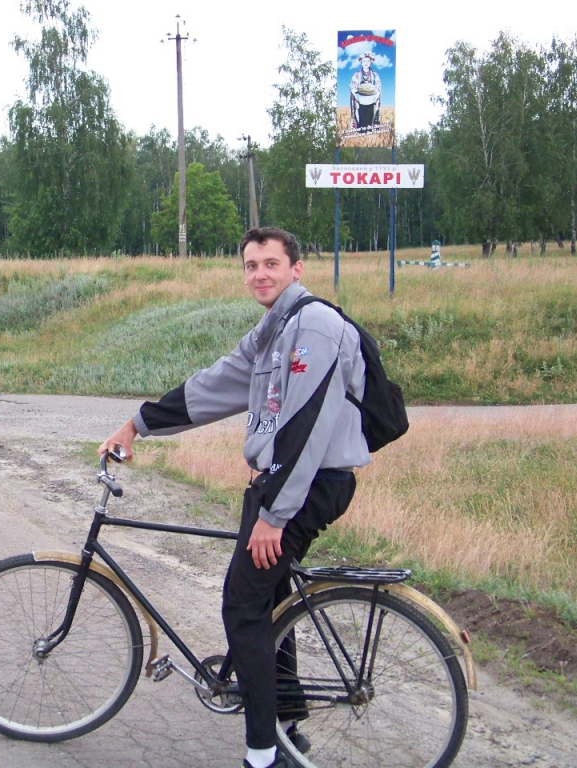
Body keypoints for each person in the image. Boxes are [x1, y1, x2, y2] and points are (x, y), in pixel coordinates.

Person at [98, 226, 369, 768]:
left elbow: (306, 426)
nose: (259, 274)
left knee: (242, 606)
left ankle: (263, 756)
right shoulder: (272, 330)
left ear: (296, 269)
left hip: (306, 485)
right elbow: (213, 385)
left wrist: (274, 514)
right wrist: (138, 423)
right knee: (267, 602)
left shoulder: (315, 326)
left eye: (271, 264)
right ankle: (286, 724)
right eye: (250, 266)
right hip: (284, 482)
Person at [349, 52, 381, 131]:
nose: (366, 63)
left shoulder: (375, 75)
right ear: (361, 62)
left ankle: (371, 130)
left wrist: (372, 94)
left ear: (371, 62)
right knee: (360, 117)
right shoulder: (356, 75)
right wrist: (359, 95)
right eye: (364, 61)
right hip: (359, 100)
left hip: (372, 101)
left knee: (370, 116)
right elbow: (352, 87)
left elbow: (378, 88)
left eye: (368, 61)